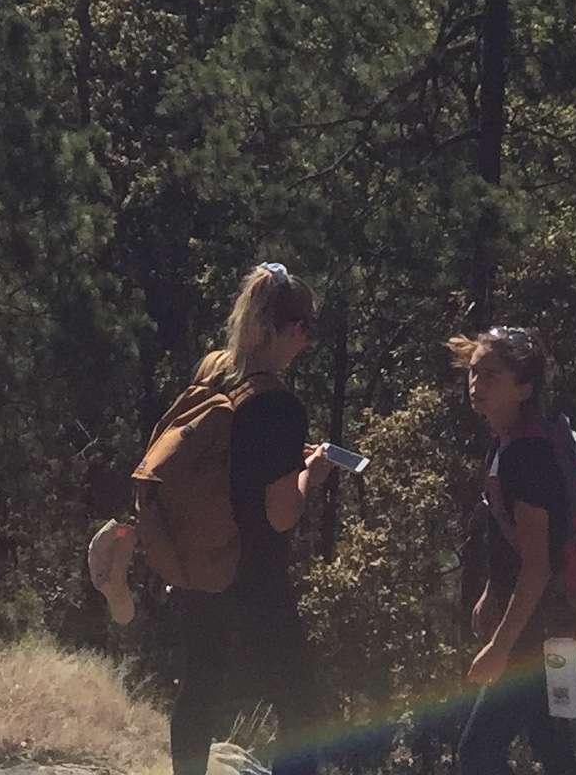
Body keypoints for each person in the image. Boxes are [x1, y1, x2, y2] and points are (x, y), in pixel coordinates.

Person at [158, 263, 339, 775]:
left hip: (199, 557)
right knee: (301, 704)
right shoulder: (279, 406)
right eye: (307, 331)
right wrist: (309, 475)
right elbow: (281, 515)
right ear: (295, 328)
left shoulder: (213, 371)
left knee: (200, 684)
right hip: (254, 572)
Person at [451, 324, 576, 775]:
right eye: (473, 372)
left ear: (524, 389)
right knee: (555, 748)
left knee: (476, 754)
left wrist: (500, 649)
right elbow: (513, 541)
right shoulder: (506, 445)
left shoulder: (529, 459)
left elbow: (538, 567)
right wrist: (492, 589)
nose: (476, 384)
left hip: (540, 635)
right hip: (559, 630)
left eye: (491, 376)